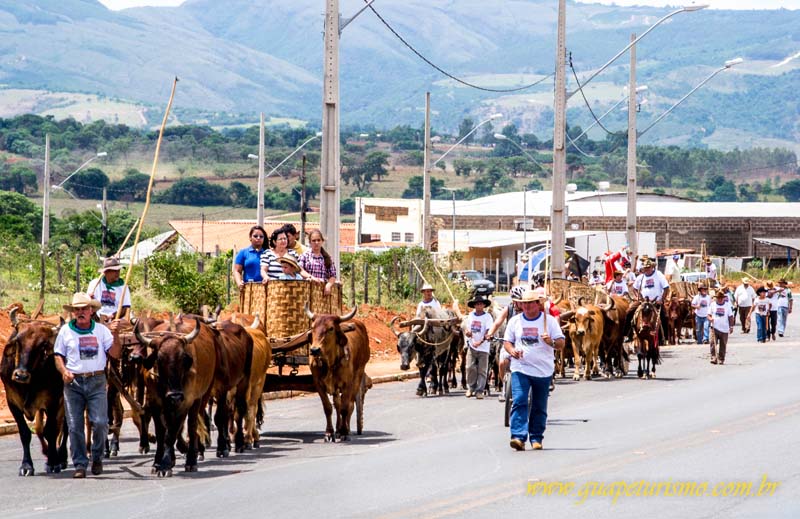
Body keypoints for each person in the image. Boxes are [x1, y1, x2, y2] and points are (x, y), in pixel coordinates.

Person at [54, 293, 122, 478]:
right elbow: (58, 355)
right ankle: (80, 464)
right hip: (73, 383)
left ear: (92, 311)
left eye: (84, 308)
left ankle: (97, 456)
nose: (81, 312)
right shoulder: (65, 331)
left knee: (100, 422)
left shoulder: (101, 331)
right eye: (77, 309)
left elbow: (115, 354)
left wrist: (115, 334)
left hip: (96, 381)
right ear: (73, 312)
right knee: (74, 426)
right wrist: (63, 371)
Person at [503, 288, 565, 451]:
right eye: (524, 304)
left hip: (543, 370)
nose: (528, 307)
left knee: (539, 405)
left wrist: (550, 341)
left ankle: (536, 437)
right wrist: (512, 351)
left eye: (531, 303)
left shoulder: (549, 321)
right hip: (520, 367)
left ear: (538, 304)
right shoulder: (514, 321)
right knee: (520, 399)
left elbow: (561, 343)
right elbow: (507, 342)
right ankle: (518, 436)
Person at [487, 285, 526, 403]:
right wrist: (489, 334)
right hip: (509, 342)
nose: (519, 304)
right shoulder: (509, 309)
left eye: (521, 301)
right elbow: (497, 322)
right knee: (502, 362)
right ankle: (504, 386)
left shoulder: (528, 310)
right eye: (517, 301)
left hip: (525, 342)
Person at [624, 259, 670, 341]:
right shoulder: (641, 277)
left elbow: (666, 288)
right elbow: (635, 288)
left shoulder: (658, 275)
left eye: (648, 267)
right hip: (643, 301)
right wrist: (639, 297)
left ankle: (664, 337)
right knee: (629, 312)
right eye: (645, 268)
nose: (647, 269)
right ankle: (628, 334)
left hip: (656, 301)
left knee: (665, 316)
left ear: (652, 267)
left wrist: (661, 300)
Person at [464, 295, 495, 400]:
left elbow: (488, 331)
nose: (479, 305)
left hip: (483, 346)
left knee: (482, 369)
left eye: (481, 304)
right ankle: (470, 388)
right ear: (474, 306)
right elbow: (467, 329)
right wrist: (468, 334)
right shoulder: (470, 316)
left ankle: (479, 390)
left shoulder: (487, 317)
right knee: (469, 367)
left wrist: (481, 341)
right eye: (477, 304)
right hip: (472, 345)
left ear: (484, 305)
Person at [86, 257, 131, 322]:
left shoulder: (123, 287)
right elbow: (87, 304)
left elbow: (125, 308)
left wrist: (111, 316)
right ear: (106, 272)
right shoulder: (94, 284)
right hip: (96, 318)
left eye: (118, 270)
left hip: (115, 319)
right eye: (114, 271)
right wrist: (89, 299)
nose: (117, 273)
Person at [299, 229, 338, 295]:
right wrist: (312, 277)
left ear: (322, 241)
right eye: (314, 241)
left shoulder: (327, 257)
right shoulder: (305, 256)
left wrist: (328, 285)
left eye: (318, 240)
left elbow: (333, 275)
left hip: (322, 292)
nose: (316, 242)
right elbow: (300, 270)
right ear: (310, 242)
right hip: (307, 291)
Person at [708, 290, 734, 365]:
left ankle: (721, 359)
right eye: (718, 298)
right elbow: (709, 315)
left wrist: (731, 326)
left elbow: (730, 317)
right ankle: (713, 357)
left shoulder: (727, 305)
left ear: (723, 298)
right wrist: (710, 319)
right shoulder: (712, 305)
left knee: (723, 344)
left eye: (721, 298)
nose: (719, 299)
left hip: (724, 328)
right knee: (713, 343)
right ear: (716, 298)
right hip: (714, 327)